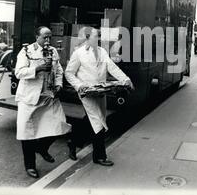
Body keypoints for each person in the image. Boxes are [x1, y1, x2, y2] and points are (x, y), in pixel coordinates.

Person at [65, 27, 134, 166]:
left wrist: (126, 79)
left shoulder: (102, 52)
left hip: (101, 92)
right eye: (96, 36)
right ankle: (99, 156)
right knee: (98, 122)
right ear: (88, 38)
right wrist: (79, 86)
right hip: (87, 92)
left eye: (99, 36)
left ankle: (73, 142)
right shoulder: (78, 53)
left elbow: (112, 67)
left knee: (92, 119)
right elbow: (69, 73)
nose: (99, 39)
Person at [15, 26, 71, 178]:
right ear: (37, 36)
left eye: (49, 37)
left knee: (60, 124)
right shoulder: (26, 51)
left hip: (48, 95)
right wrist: (37, 68)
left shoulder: (53, 51)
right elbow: (18, 72)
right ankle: (30, 166)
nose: (47, 40)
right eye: (44, 37)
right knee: (27, 133)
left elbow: (58, 70)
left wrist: (59, 84)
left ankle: (41, 148)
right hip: (29, 98)